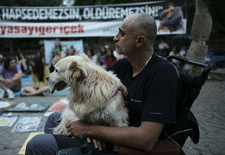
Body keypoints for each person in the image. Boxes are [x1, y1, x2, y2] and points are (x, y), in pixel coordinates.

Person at [25, 13, 179, 154]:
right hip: (104, 129)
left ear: (139, 41)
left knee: (37, 144)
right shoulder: (122, 66)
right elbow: (86, 82)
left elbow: (145, 140)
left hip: (125, 145)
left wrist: (90, 130)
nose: (115, 37)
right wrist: (65, 80)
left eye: (122, 33)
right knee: (53, 118)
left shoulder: (162, 74)